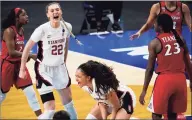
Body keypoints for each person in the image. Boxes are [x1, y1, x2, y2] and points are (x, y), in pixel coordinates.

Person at [19, 2, 77, 119]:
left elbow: (66, 44)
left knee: (69, 104)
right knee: (50, 109)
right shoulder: (42, 30)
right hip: (43, 70)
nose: (55, 12)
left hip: (60, 68)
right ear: (47, 14)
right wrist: (22, 69)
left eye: (57, 10)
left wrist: (63, 62)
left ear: (61, 12)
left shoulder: (67, 26)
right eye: (52, 11)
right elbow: (27, 48)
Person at [139, 14, 192, 120]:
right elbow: (188, 62)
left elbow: (149, 69)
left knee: (156, 114)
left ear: (160, 26)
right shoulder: (180, 38)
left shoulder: (155, 43)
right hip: (181, 81)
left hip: (165, 81)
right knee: (173, 114)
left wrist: (144, 90)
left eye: (155, 23)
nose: (154, 25)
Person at [0, 8, 42, 117]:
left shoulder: (21, 30)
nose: (27, 16)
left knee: (31, 93)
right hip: (7, 66)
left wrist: (25, 57)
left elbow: (19, 51)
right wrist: (30, 55)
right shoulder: (9, 31)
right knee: (2, 95)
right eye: (24, 15)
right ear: (17, 18)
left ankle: (42, 117)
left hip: (19, 65)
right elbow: (12, 52)